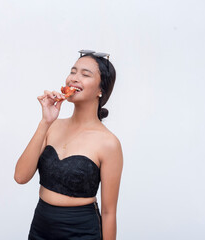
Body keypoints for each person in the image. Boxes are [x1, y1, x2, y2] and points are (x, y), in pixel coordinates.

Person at [14, 50, 123, 240]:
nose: (74, 78)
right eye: (73, 71)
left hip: (82, 232)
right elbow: (20, 176)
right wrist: (45, 122)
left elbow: (108, 213)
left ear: (100, 90)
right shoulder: (52, 126)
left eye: (85, 74)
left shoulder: (109, 143)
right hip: (40, 228)